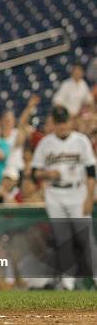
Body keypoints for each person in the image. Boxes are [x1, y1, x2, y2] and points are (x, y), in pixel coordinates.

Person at [31, 106, 95, 288]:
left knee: (85, 239)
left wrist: (89, 197)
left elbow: (91, 171)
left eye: (64, 122)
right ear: (54, 124)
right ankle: (68, 284)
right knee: (63, 240)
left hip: (77, 193)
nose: (62, 126)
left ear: (70, 121)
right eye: (59, 123)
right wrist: (47, 174)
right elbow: (34, 172)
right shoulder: (45, 143)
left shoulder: (81, 140)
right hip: (55, 194)